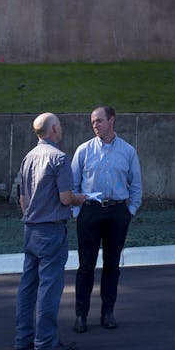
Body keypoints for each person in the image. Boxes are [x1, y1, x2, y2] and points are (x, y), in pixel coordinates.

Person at [14, 112, 85, 350]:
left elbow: (23, 198)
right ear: (53, 129)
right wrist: (81, 199)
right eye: (60, 126)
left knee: (27, 285)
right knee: (49, 287)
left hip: (30, 228)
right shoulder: (59, 158)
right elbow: (66, 198)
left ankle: (23, 337)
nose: (61, 129)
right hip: (52, 229)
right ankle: (45, 341)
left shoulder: (28, 157)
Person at [70, 105, 143, 333]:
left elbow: (137, 185)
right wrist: (76, 212)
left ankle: (108, 312)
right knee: (86, 266)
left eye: (99, 121)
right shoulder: (83, 150)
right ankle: (81, 316)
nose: (95, 125)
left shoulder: (128, 151)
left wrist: (129, 211)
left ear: (112, 120)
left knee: (112, 265)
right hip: (89, 212)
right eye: (93, 121)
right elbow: (72, 184)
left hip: (117, 212)